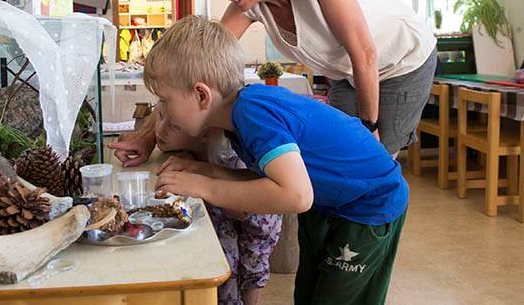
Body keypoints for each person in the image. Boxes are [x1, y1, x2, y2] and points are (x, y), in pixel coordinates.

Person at [110, 0, 436, 165]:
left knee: (371, 161)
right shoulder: (250, 3)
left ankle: (369, 246)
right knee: (332, 156)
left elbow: (364, 53)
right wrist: (149, 134)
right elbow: (192, 64)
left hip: (400, 62)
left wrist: (369, 127)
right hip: (348, 74)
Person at [144, 16, 408, 305]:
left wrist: (204, 187)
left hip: (368, 205)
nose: (164, 111)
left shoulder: (252, 113)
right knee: (308, 294)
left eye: (165, 101)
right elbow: (269, 182)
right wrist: (206, 171)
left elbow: (295, 195)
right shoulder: (238, 117)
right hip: (331, 203)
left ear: (201, 94)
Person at [151, 107, 282, 305]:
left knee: (252, 267)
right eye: (160, 117)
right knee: (226, 260)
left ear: (204, 134)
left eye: (174, 126)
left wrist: (200, 183)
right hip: (225, 211)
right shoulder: (193, 136)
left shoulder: (233, 157)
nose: (160, 130)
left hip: (255, 220)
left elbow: (241, 211)